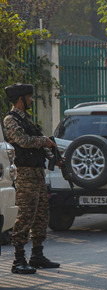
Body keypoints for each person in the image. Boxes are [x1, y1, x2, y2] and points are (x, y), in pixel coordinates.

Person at [3, 83, 60, 274]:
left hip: (37, 173)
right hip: (24, 174)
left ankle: (37, 255)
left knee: (41, 214)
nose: (31, 100)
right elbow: (24, 142)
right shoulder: (11, 120)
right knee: (25, 215)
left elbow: (39, 144)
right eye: (29, 97)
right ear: (21, 99)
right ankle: (18, 259)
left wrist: (55, 158)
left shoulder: (27, 121)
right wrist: (44, 141)